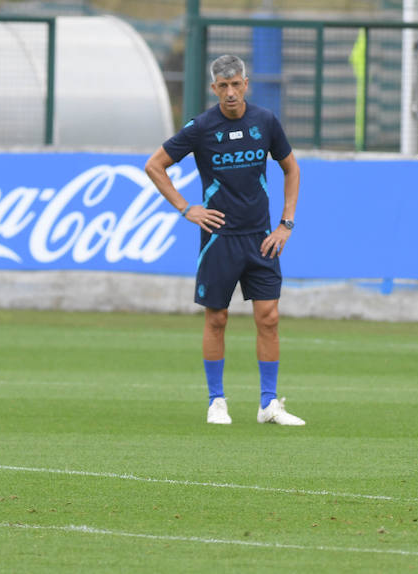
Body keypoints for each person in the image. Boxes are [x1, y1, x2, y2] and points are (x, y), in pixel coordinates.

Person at [144, 54, 305, 427]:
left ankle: (268, 404)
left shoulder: (265, 121)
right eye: (223, 86)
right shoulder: (201, 127)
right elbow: (155, 165)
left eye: (236, 84)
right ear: (214, 88)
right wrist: (187, 209)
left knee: (269, 317)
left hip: (262, 238)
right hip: (218, 240)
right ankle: (217, 401)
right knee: (217, 318)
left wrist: (286, 224)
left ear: (246, 84)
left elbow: (291, 168)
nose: (230, 92)